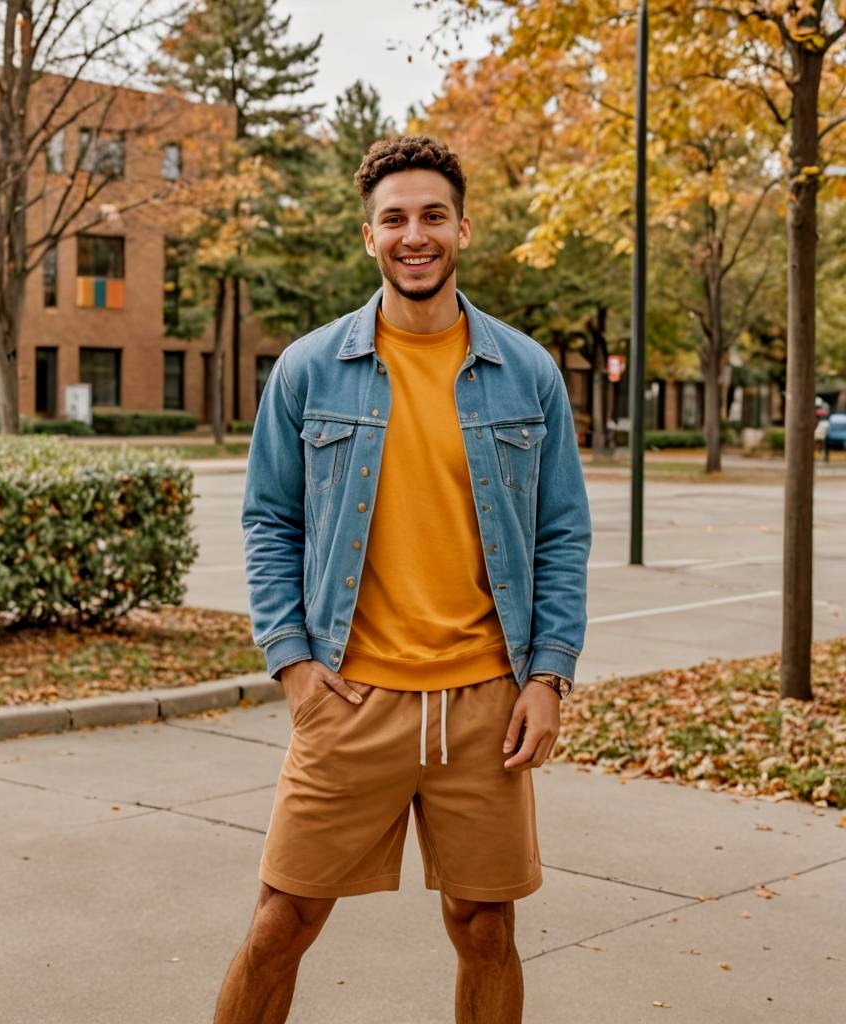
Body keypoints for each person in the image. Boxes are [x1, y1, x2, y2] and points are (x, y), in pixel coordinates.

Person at [215, 135, 592, 1024]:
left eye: (431, 216)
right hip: (351, 695)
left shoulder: (527, 370)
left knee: (485, 926)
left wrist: (548, 676)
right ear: (368, 235)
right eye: (394, 219)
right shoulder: (310, 368)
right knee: (281, 920)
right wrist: (293, 665)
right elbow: (269, 519)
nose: (412, 234)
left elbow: (562, 532)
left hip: (482, 701)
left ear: (462, 228)